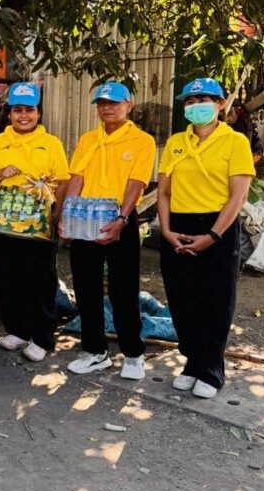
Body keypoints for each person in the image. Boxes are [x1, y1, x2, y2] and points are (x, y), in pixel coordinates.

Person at [158, 78, 253, 399]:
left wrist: (213, 235)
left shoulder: (235, 141)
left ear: (220, 104)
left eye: (203, 99)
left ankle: (211, 369)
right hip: (177, 225)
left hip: (218, 225)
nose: (196, 105)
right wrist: (166, 230)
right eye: (190, 101)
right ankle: (192, 362)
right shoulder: (175, 142)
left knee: (215, 298)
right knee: (181, 297)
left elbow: (238, 196)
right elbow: (164, 191)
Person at [63, 82, 157, 379]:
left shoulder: (142, 141)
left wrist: (122, 218)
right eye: (102, 103)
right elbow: (76, 178)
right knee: (85, 287)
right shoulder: (88, 139)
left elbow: (136, 183)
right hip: (85, 217)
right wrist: (67, 214)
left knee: (123, 289)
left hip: (119, 217)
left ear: (128, 105)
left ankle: (133, 354)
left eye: (114, 102)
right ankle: (95, 351)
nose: (107, 107)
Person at [0, 82, 69, 362]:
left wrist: (57, 214)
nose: (23, 116)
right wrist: (1, 172)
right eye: (18, 110)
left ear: (38, 113)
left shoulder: (51, 143)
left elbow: (63, 181)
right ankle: (17, 330)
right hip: (2, 222)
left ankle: (42, 337)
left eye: (29, 110)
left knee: (41, 279)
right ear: (9, 114)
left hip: (37, 223)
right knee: (7, 276)